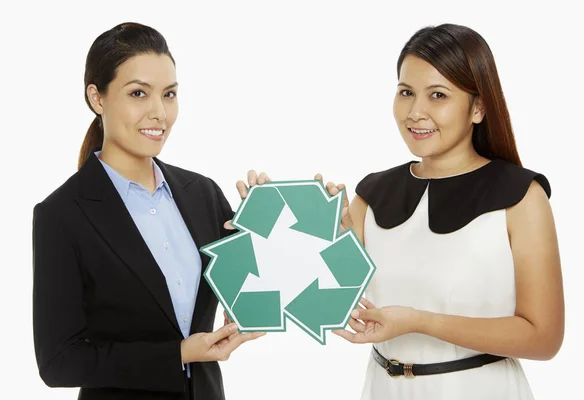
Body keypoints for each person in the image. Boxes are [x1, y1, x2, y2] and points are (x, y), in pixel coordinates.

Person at [318, 23, 564, 399]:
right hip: (383, 389)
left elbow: (543, 338)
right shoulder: (371, 194)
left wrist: (420, 322)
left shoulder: (521, 197)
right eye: (406, 92)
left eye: (437, 95)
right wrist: (281, 221)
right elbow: (333, 302)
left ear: (478, 107)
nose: (416, 112)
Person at [32, 22, 264, 400]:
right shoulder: (62, 215)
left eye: (169, 94)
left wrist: (283, 218)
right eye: (139, 93)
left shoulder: (202, 193)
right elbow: (59, 362)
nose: (160, 113)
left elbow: (256, 292)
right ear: (97, 98)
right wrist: (178, 354)